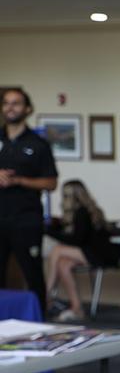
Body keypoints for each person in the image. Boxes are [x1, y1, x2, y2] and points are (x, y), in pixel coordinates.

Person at [0, 88, 58, 314]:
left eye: (16, 103)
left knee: (33, 273)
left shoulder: (38, 144)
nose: (10, 108)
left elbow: (51, 183)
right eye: (6, 103)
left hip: (26, 219)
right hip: (0, 218)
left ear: (27, 109)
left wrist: (20, 181)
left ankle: (40, 322)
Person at [45, 180, 120, 321]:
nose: (65, 199)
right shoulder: (78, 213)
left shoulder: (82, 212)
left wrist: (50, 232)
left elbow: (76, 240)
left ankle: (46, 296)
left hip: (101, 254)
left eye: (67, 196)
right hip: (90, 252)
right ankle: (76, 307)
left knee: (57, 250)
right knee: (63, 264)